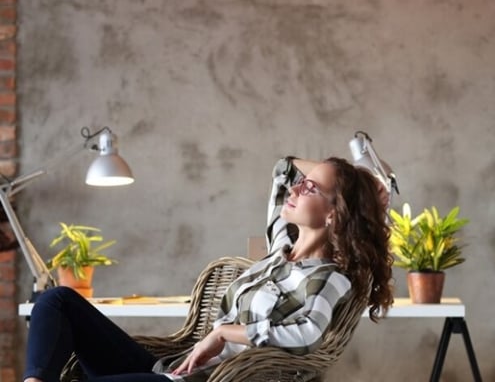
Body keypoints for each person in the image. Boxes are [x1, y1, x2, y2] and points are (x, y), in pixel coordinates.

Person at [23, 156, 393, 382]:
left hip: (201, 379)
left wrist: (225, 334)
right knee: (57, 300)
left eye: (309, 188)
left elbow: (307, 333)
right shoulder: (280, 247)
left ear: (334, 213)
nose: (296, 189)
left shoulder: (328, 277)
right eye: (302, 183)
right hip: (167, 367)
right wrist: (358, 177)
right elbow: (284, 166)